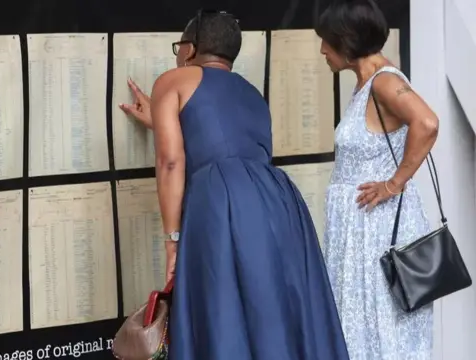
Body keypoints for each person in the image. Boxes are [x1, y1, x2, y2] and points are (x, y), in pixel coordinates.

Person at [119, 9, 350, 360]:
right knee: (268, 308)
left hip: (220, 199)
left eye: (178, 47)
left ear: (191, 48)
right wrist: (160, 118)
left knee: (223, 306)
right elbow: (221, 138)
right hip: (279, 203)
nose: (178, 55)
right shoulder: (252, 93)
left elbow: (171, 161)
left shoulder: (173, 80)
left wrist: (172, 242)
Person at [315, 0, 439, 359]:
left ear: (347, 40)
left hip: (376, 232)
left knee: (383, 333)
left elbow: (427, 123)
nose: (322, 49)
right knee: (362, 333)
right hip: (360, 233)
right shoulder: (367, 84)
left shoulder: (384, 82)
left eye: (326, 40)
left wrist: (393, 183)